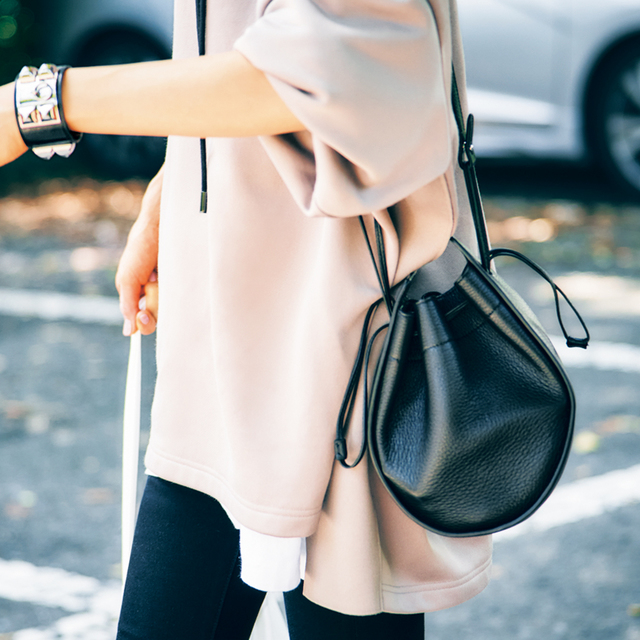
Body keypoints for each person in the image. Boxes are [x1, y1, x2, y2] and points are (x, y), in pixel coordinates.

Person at [0, 0, 493, 638]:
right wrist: (175, 188)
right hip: (225, 347)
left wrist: (38, 105)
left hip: (343, 349)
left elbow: (325, 66)